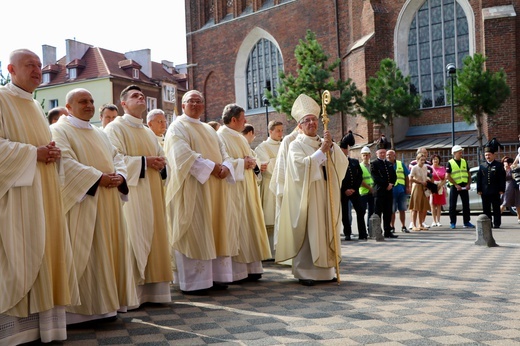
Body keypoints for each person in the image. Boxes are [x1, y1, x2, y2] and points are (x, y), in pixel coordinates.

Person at [0, 48, 79, 344]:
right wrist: (34, 153)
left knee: (46, 252)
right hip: (16, 197)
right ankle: (12, 332)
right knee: (18, 254)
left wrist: (51, 153)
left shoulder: (34, 105)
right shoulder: (1, 99)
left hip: (43, 193)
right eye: (29, 65)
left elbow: (41, 146)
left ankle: (44, 327)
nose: (36, 70)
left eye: (38, 65)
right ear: (11, 69)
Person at [50, 88, 138, 324]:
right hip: (84, 201)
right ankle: (82, 312)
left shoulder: (100, 133)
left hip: (108, 201)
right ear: (69, 107)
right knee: (88, 252)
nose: (89, 105)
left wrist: (120, 175)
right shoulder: (59, 130)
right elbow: (64, 163)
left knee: (108, 250)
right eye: (82, 102)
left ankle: (108, 306)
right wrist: (98, 177)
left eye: (90, 100)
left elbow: (117, 156)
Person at [104, 85, 173, 306]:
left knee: (155, 237)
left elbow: (162, 158)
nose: (141, 97)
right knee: (133, 237)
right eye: (135, 96)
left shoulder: (147, 132)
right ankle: (133, 295)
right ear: (123, 103)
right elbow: (114, 161)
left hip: (153, 193)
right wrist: (145, 162)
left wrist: (162, 164)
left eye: (142, 95)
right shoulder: (115, 129)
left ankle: (155, 292)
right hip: (132, 196)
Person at [164, 90, 237, 295]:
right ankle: (196, 281)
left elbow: (225, 153)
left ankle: (217, 277)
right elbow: (181, 155)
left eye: (199, 101)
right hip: (193, 188)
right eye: (191, 101)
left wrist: (226, 167)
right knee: (196, 229)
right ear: (183, 104)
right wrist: (214, 168)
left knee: (216, 228)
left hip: (216, 188)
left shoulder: (209, 129)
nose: (195, 104)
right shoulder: (177, 127)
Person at [275, 94, 348, 286]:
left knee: (325, 228)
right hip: (307, 195)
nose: (311, 123)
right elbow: (299, 169)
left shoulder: (323, 141)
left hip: (325, 193)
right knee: (309, 230)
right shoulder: (296, 145)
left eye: (314, 120)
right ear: (299, 125)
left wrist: (331, 147)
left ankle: (327, 270)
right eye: (306, 121)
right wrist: (322, 151)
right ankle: (306, 272)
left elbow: (341, 163)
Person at [218, 104, 271, 282]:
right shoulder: (221, 137)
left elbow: (250, 158)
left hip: (248, 187)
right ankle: (238, 271)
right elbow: (222, 163)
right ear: (233, 120)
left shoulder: (239, 137)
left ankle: (252, 268)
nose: (246, 121)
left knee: (250, 225)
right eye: (243, 118)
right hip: (233, 190)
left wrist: (253, 163)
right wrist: (243, 162)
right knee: (237, 226)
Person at [255, 120, 284, 256]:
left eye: (281, 130)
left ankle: (281, 251)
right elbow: (267, 167)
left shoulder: (284, 145)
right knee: (270, 218)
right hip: (269, 185)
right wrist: (278, 162)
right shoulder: (262, 147)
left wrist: (275, 161)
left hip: (283, 185)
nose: (280, 133)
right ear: (270, 131)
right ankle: (269, 252)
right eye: (277, 130)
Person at [339, 141, 367, 240]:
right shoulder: (338, 163)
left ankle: (362, 233)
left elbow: (359, 176)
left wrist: (354, 188)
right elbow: (338, 178)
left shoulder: (354, 162)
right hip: (343, 192)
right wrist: (345, 189)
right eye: (343, 149)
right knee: (345, 213)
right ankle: (347, 233)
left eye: (346, 149)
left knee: (360, 210)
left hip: (354, 191)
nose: (345, 151)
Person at [371, 148, 398, 238]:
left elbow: (394, 176)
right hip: (379, 191)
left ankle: (387, 231)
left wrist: (391, 184)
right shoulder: (374, 164)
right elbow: (375, 177)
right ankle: (378, 232)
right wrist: (386, 184)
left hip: (389, 191)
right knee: (378, 212)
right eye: (381, 153)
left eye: (384, 152)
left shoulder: (389, 164)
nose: (382, 154)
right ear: (377, 153)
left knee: (388, 212)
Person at [446, 145, 475, 229]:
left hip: (464, 185)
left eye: (461, 152)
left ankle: (466, 222)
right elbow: (448, 176)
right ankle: (453, 222)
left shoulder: (464, 161)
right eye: (459, 152)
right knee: (452, 205)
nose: (461, 153)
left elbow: (469, 174)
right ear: (454, 153)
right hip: (454, 186)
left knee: (466, 204)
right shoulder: (450, 162)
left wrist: (468, 183)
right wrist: (455, 184)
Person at [477, 147, 506, 228]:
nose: (487, 156)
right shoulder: (482, 165)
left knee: (496, 208)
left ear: (493, 155)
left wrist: (501, 189)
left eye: (489, 155)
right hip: (485, 191)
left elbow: (502, 178)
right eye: (486, 155)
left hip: (495, 191)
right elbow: (479, 178)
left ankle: (497, 223)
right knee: (486, 209)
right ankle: (488, 223)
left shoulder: (499, 165)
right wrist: (479, 189)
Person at [386, 150, 410, 233]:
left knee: (402, 209)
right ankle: (392, 227)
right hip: (391, 190)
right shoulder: (385, 165)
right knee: (392, 210)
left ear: (394, 155)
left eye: (390, 155)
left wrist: (407, 187)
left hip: (401, 189)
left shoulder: (400, 164)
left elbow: (407, 176)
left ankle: (403, 226)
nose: (388, 156)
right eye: (387, 155)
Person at [408, 146, 432, 229]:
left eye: (424, 160)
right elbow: (410, 178)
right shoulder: (414, 167)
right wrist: (420, 182)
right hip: (416, 187)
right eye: (421, 160)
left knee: (422, 207)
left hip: (423, 188)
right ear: (417, 160)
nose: (422, 161)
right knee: (415, 207)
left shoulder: (425, 167)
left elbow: (425, 177)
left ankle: (420, 224)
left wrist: (427, 181)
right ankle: (414, 225)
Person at [358, 146, 375, 232]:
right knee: (362, 212)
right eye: (364, 155)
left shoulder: (372, 166)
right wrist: (370, 188)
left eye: (367, 155)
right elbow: (360, 180)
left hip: (372, 193)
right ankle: (363, 231)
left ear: (370, 156)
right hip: (363, 192)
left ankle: (370, 229)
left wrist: (373, 189)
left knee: (371, 212)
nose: (365, 157)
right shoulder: (359, 166)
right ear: (361, 156)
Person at [501, 156, 520, 224]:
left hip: (515, 186)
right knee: (505, 202)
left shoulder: (513, 168)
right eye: (504, 161)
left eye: (506, 161)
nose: (504, 163)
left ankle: (519, 218)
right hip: (507, 187)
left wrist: (512, 167)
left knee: (518, 203)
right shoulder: (502, 170)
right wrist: (505, 169)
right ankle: (497, 216)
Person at [430, 154, 447, 227]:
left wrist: (440, 185)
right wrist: (433, 186)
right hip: (432, 187)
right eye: (434, 159)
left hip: (440, 186)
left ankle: (438, 221)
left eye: (436, 159)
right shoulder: (429, 168)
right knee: (432, 204)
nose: (435, 160)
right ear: (431, 160)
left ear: (439, 160)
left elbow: (445, 178)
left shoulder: (443, 168)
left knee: (439, 205)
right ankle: (433, 221)